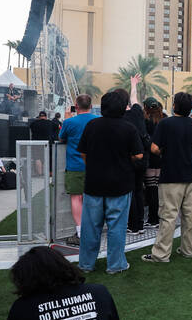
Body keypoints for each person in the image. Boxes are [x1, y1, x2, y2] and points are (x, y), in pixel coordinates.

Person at [76, 90, 144, 274]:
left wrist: (93, 165)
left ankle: (86, 264)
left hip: (94, 184)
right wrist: (123, 160)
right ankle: (115, 265)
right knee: (117, 227)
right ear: (123, 108)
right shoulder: (129, 128)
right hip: (120, 185)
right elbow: (138, 154)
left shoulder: (92, 125)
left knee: (90, 227)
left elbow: (83, 152)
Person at [144, 92, 192, 264]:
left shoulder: (165, 123)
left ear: (175, 105)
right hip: (191, 176)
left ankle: (161, 254)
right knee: (190, 216)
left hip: (170, 176)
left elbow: (154, 148)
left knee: (168, 216)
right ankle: (189, 250)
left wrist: (163, 151)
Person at [57, 94, 97, 246]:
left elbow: (61, 138)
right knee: (93, 199)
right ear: (91, 106)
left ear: (76, 106)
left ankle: (80, 233)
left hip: (75, 166)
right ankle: (92, 230)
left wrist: (66, 119)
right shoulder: (97, 120)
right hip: (95, 166)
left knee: (76, 198)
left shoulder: (69, 122)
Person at [121, 85, 149, 234]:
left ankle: (133, 225)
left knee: (130, 192)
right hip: (142, 158)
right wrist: (133, 84)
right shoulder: (137, 112)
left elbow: (132, 99)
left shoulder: (120, 117)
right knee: (139, 190)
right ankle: (140, 224)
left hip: (129, 159)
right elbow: (134, 99)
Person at [143, 98, 165, 227]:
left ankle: (153, 218)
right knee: (158, 189)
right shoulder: (164, 119)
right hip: (161, 157)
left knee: (151, 190)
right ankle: (158, 216)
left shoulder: (146, 120)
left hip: (150, 158)